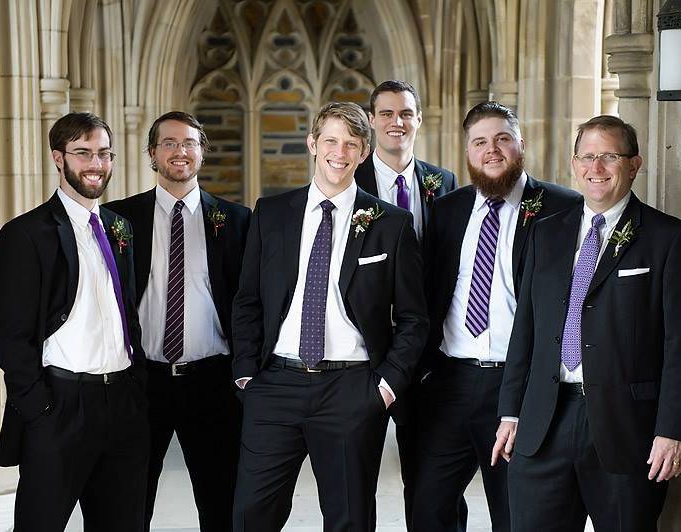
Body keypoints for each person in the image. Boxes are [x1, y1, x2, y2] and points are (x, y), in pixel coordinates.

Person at [492, 115, 681, 532]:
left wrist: (672, 430)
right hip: (543, 424)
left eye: (608, 157)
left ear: (634, 164)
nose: (596, 169)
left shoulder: (670, 239)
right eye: (587, 157)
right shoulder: (545, 233)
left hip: (627, 431)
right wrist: (510, 412)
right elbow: (525, 331)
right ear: (573, 164)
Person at [231, 101, 428, 531]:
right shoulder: (273, 213)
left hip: (352, 389)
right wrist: (247, 373)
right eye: (331, 141)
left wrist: (387, 387)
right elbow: (248, 300)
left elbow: (414, 318)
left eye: (351, 144)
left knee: (350, 520)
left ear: (363, 152)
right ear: (312, 144)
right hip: (275, 385)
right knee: (250, 516)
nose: (339, 152)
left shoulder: (390, 224)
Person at [413, 101, 579, 532]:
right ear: (467, 152)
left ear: (521, 145)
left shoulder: (563, 208)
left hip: (519, 384)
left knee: (517, 512)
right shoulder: (447, 211)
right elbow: (429, 293)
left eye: (503, 139)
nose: (492, 150)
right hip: (449, 383)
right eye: (480, 142)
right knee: (428, 507)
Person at [0, 112, 149, 532]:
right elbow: (9, 334)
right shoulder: (25, 234)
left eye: (103, 153)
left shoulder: (119, 228)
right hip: (60, 404)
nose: (96, 164)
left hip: (122, 403)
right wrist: (39, 408)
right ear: (58, 158)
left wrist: (137, 388)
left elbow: (126, 312)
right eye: (83, 154)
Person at [104, 111, 251, 531]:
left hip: (212, 381)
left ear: (202, 151)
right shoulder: (119, 219)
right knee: (130, 500)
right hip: (142, 381)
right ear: (152, 153)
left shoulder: (237, 222)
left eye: (188, 142)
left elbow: (250, 304)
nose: (179, 151)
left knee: (221, 502)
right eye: (168, 143)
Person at [354, 80, 457, 528]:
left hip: (427, 354)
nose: (398, 122)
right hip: (363, 355)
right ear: (373, 120)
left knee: (433, 482)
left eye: (406, 114)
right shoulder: (348, 179)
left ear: (418, 119)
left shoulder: (443, 182)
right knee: (354, 480)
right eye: (387, 114)